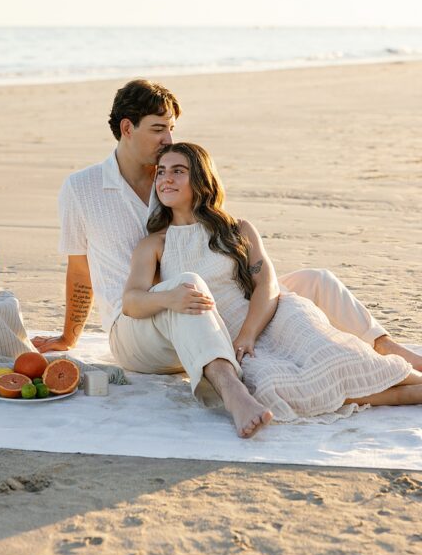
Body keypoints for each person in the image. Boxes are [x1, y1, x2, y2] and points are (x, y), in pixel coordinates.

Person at [34, 79, 422, 369]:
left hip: (210, 305)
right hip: (145, 324)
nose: (169, 139)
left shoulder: (174, 177)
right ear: (126, 128)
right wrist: (70, 336)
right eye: (158, 129)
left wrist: (251, 312)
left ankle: (388, 348)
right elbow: (79, 268)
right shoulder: (81, 189)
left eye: (172, 129)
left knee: (315, 281)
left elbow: (218, 246)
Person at [128, 142, 422, 421]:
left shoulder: (237, 229)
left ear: (201, 178)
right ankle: (405, 395)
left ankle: (411, 383)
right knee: (273, 388)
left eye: (178, 170)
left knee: (341, 358)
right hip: (222, 334)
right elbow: (131, 302)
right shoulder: (155, 244)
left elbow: (266, 285)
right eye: (162, 171)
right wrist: (167, 299)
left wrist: (247, 336)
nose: (166, 178)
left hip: (273, 316)